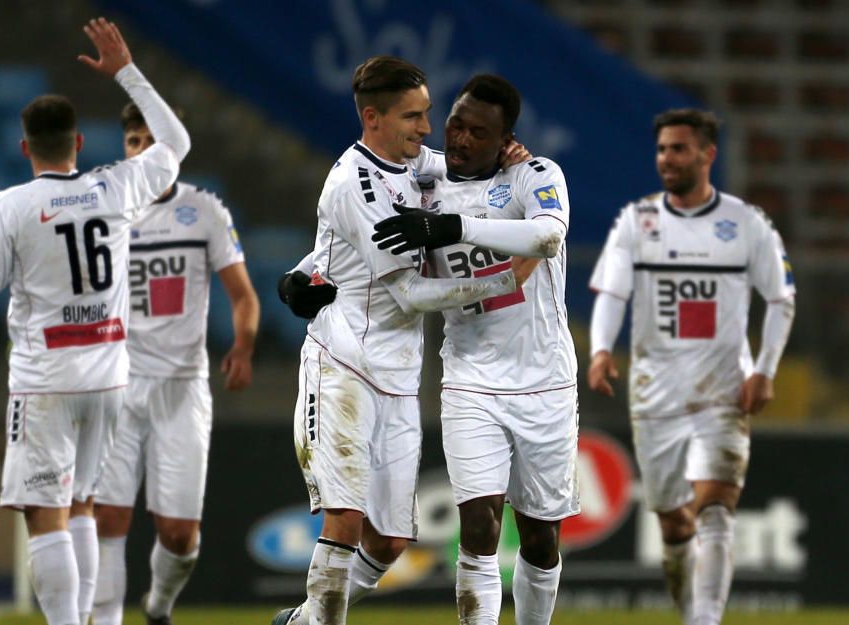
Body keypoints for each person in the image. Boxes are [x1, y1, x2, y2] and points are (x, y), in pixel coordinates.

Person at [0, 18, 189, 625]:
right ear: (78, 143)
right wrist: (127, 72)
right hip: (108, 378)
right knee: (82, 502)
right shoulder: (115, 186)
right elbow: (176, 143)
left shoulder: (14, 205)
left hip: (46, 380)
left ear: (25, 147)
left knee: (46, 512)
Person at [273, 56, 525, 625]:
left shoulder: (416, 165)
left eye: (428, 114)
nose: (427, 128)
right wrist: (500, 281)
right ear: (373, 118)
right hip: (343, 364)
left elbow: (463, 168)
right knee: (344, 518)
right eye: (413, 116)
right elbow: (410, 294)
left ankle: (302, 622)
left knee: (388, 540)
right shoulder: (353, 181)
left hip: (398, 377)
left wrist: (509, 160)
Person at [369, 73, 579, 625]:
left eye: (478, 133)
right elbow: (363, 184)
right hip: (470, 377)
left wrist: (454, 228)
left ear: (505, 139)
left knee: (540, 537)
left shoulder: (535, 175)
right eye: (455, 125)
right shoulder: (423, 180)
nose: (461, 139)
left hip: (546, 380)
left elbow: (547, 236)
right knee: (479, 527)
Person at [586, 108, 796, 625]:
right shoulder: (638, 221)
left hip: (722, 389)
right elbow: (612, 292)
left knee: (717, 507)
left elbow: (781, 299)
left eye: (678, 148)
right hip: (655, 393)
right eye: (662, 149)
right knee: (674, 524)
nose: (666, 159)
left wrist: (765, 370)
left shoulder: (746, 224)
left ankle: (703, 621)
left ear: (708, 155)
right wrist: (600, 350)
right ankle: (692, 608)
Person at [90, 102, 260, 625]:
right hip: (116, 384)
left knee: (179, 536)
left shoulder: (204, 211)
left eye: (152, 141)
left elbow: (243, 296)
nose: (142, 151)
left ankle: (159, 605)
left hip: (182, 388)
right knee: (108, 519)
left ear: (173, 149)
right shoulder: (104, 210)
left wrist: (243, 345)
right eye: (133, 142)